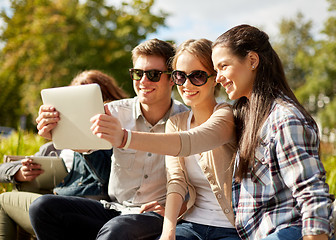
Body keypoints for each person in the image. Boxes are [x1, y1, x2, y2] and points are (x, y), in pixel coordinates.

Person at [29, 38, 188, 240]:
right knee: (42, 207)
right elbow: (84, 144)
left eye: (154, 75)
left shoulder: (187, 121)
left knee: (117, 229)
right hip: (115, 208)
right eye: (138, 74)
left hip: (155, 214)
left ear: (172, 78)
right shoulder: (113, 112)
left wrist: (175, 209)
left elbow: (201, 183)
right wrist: (52, 129)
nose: (143, 82)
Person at [89, 39, 240, 240]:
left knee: (119, 231)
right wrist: (168, 234)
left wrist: (125, 138)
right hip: (191, 225)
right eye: (181, 76)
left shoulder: (226, 115)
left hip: (230, 227)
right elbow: (176, 181)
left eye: (197, 76)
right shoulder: (177, 122)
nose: (186, 84)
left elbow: (189, 141)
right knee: (45, 207)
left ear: (215, 78)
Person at [210, 24, 334, 240]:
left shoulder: (284, 118)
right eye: (215, 70)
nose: (218, 77)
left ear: (252, 61)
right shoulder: (249, 115)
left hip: (291, 232)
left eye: (223, 66)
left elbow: (312, 192)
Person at [0, 69, 127, 240]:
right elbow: (2, 169)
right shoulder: (55, 145)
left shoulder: (116, 141)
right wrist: (19, 173)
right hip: (54, 206)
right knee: (19, 200)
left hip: (91, 210)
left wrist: (84, 145)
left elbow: (107, 179)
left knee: (6, 200)